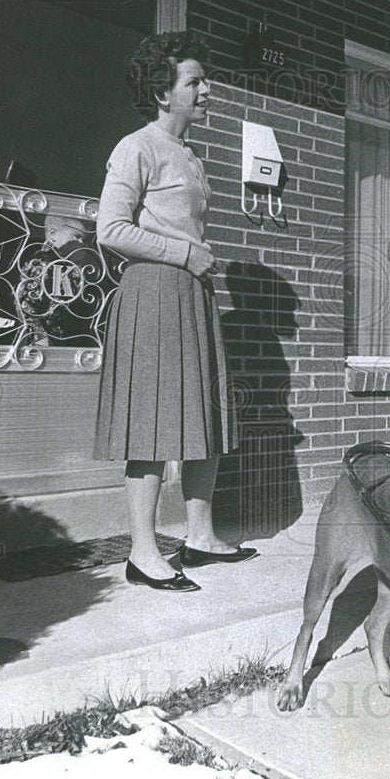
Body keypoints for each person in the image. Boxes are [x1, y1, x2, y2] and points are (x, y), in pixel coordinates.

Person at [94, 30, 256, 592]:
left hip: (191, 292)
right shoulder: (136, 146)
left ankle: (200, 536)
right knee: (153, 421)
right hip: (156, 291)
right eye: (196, 81)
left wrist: (193, 262)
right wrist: (185, 252)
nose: (207, 89)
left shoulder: (187, 153)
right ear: (165, 92)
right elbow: (111, 228)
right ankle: (142, 552)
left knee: (202, 414)